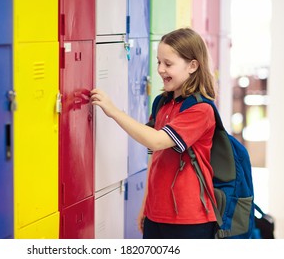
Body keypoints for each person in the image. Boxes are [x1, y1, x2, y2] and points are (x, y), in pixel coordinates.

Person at [90, 27, 218, 239]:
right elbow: (154, 155)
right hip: (156, 214)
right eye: (159, 62)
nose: (160, 69)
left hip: (190, 219)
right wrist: (146, 205)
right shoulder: (162, 102)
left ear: (193, 66)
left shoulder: (201, 110)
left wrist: (113, 111)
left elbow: (157, 141)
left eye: (168, 64)